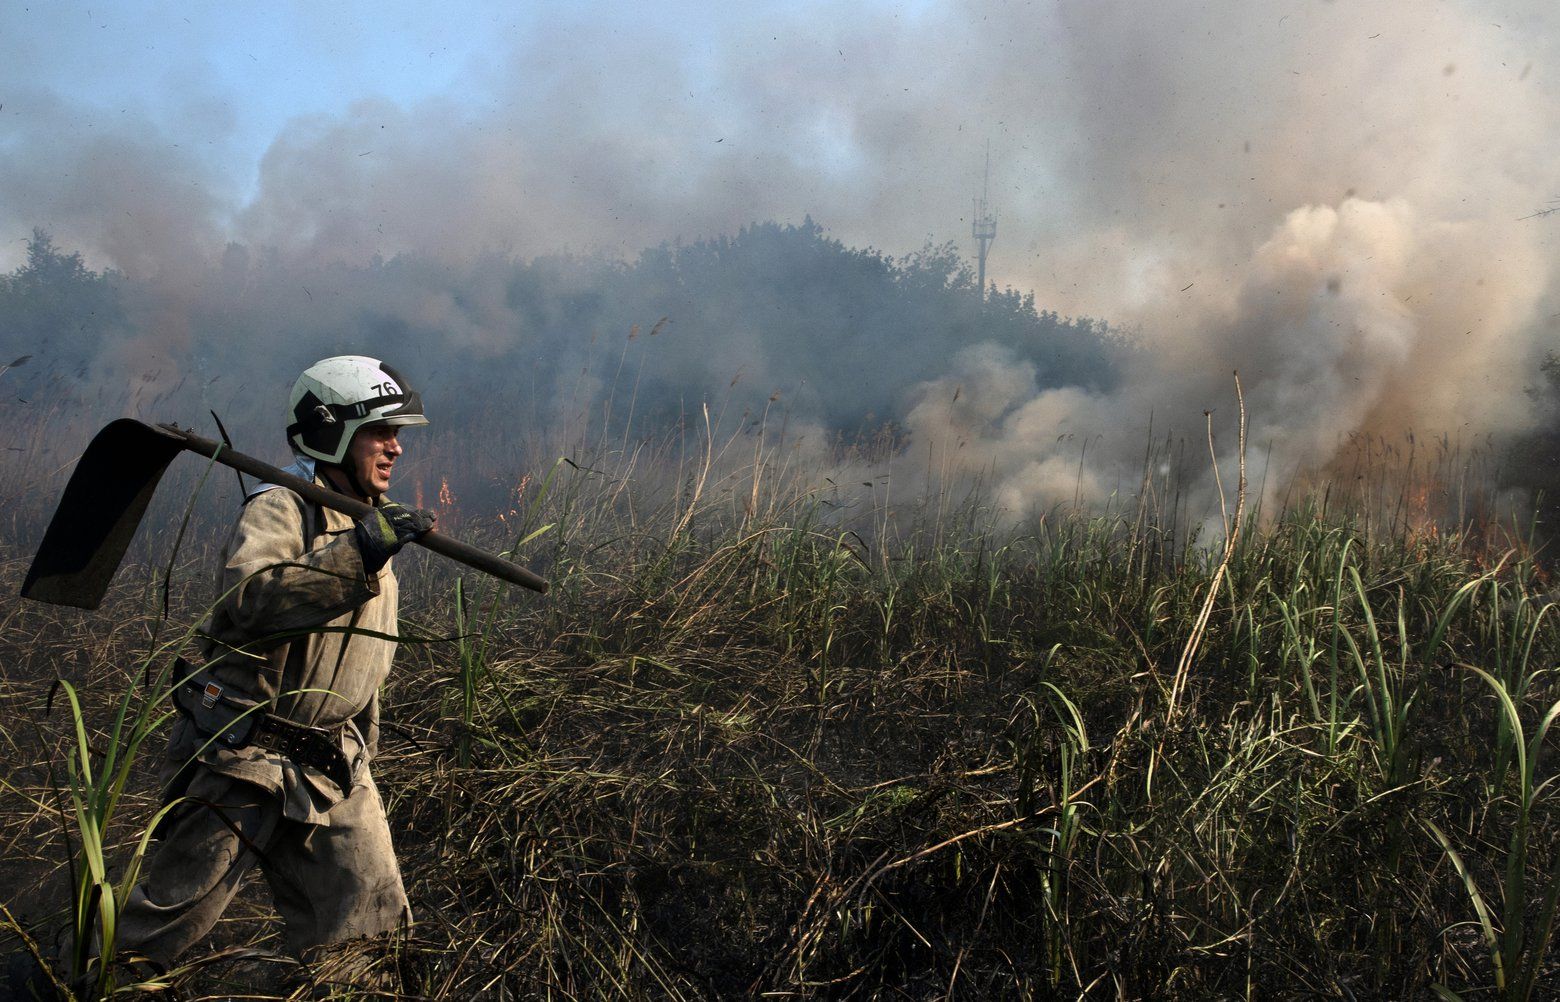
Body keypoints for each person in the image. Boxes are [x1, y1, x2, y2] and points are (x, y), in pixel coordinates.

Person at [118, 355, 438, 972]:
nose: (395, 448)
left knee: (369, 932)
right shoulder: (282, 509)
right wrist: (356, 555)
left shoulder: (370, 524)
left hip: (332, 764)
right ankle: (70, 982)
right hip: (245, 759)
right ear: (332, 432)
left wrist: (362, 746)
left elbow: (362, 662)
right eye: (381, 431)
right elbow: (249, 600)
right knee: (166, 925)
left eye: (398, 434)